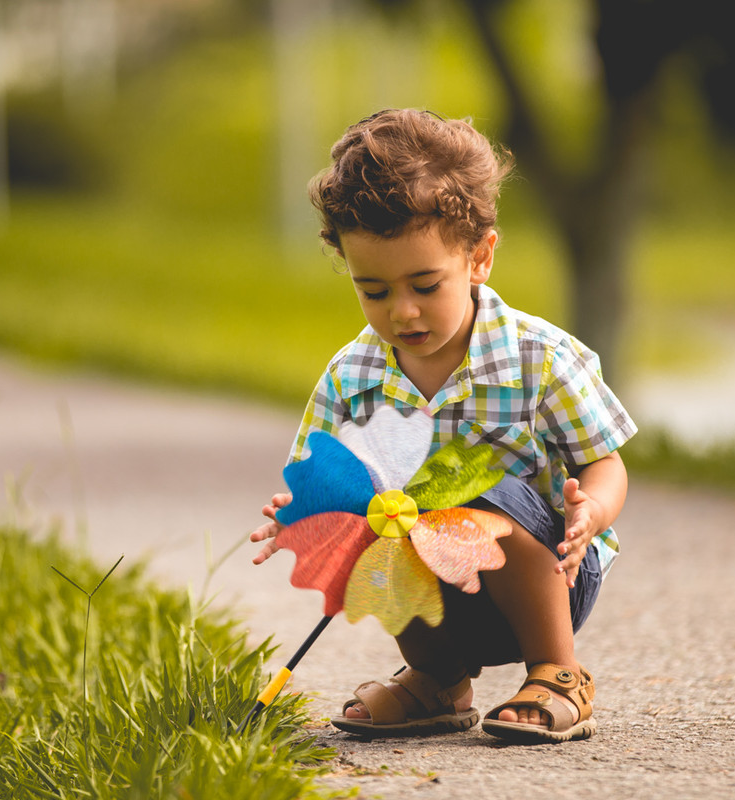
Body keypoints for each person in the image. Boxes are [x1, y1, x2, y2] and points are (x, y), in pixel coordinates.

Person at [249, 109, 635, 744]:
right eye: (373, 291)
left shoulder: (536, 356)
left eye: (425, 285)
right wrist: (302, 511)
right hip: (444, 602)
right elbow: (321, 474)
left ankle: (559, 672)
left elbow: (606, 463)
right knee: (374, 513)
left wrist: (589, 512)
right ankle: (438, 678)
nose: (403, 311)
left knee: (469, 486)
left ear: (479, 257)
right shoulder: (352, 376)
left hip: (547, 581)